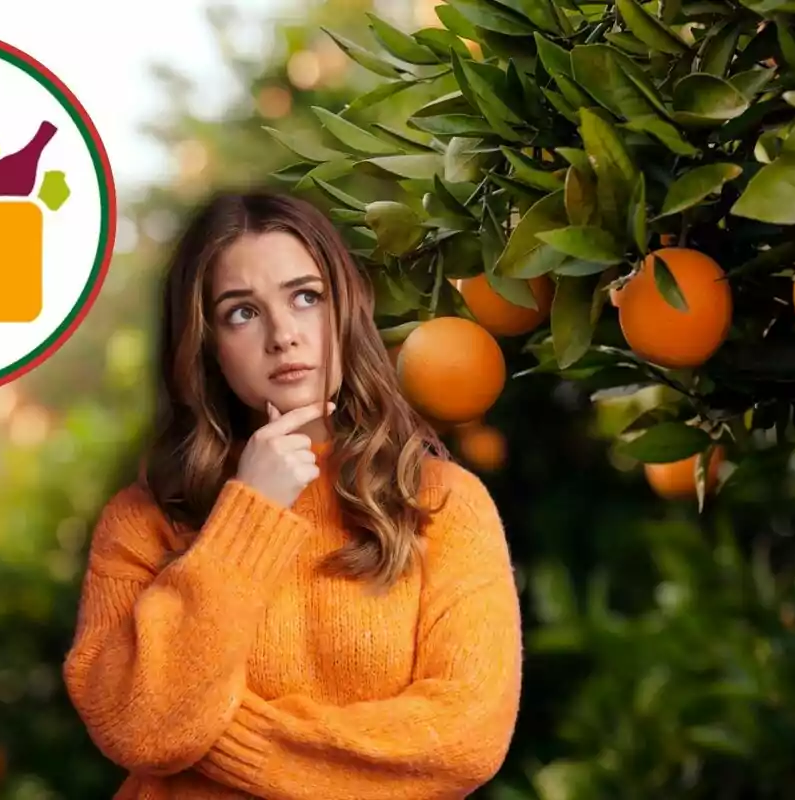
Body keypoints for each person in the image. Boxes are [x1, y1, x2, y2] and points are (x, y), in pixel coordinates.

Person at [63, 188, 523, 799]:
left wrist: (213, 739)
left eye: (306, 297)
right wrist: (249, 515)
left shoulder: (441, 503)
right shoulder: (141, 522)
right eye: (242, 312)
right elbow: (142, 729)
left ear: (345, 311)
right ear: (207, 346)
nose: (283, 335)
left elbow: (464, 739)